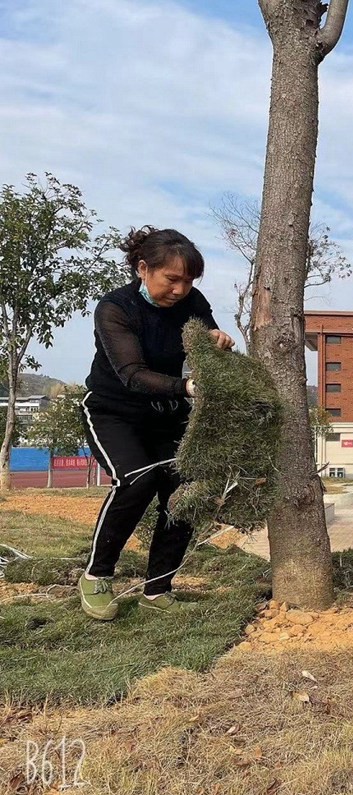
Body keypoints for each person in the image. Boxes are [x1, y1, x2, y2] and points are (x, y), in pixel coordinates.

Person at [79, 226, 235, 621]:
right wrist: (187, 386)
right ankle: (97, 576)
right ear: (144, 268)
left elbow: (206, 337)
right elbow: (132, 374)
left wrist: (218, 340)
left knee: (183, 490)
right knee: (137, 479)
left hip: (167, 414)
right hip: (114, 412)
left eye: (188, 281)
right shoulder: (115, 309)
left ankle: (159, 586)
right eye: (172, 279)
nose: (181, 289)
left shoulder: (192, 301)